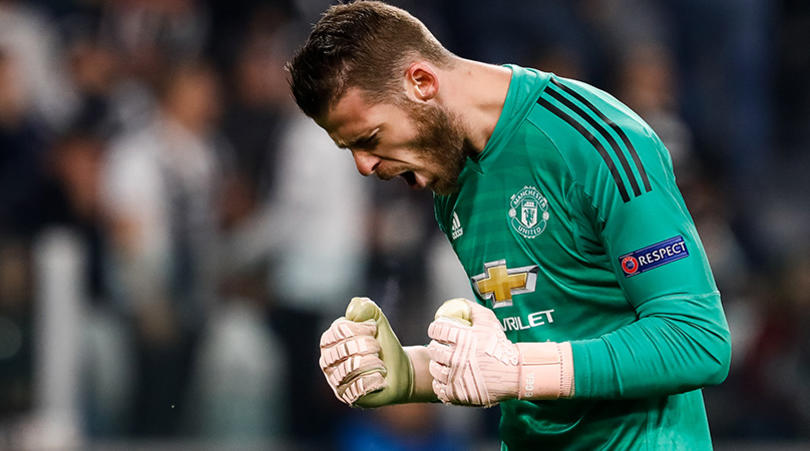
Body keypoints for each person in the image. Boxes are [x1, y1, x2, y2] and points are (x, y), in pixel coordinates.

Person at [286, 1, 731, 449]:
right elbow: (529, 339)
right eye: (351, 151)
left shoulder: (596, 141)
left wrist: (520, 371)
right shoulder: (449, 176)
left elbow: (695, 339)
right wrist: (408, 371)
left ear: (421, 82)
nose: (364, 167)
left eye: (369, 139)